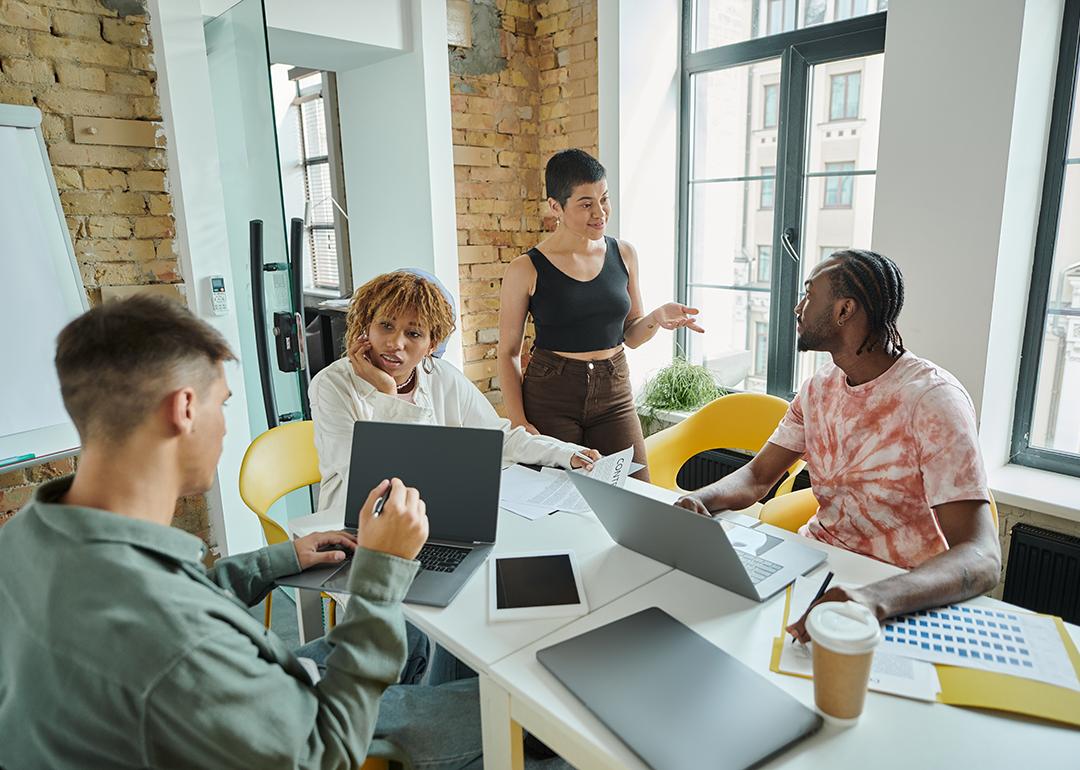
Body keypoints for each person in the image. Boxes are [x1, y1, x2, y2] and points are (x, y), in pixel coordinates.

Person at [0, 296, 485, 769]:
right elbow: (324, 752)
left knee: (413, 642)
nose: (226, 428)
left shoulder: (31, 533)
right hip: (307, 733)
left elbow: (177, 597)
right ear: (184, 409)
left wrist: (281, 558)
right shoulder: (177, 642)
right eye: (223, 405)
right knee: (516, 724)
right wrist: (381, 571)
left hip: (200, 705)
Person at [675, 250, 1002, 641]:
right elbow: (757, 477)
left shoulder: (933, 400)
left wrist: (873, 598)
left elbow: (982, 557)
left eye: (810, 295)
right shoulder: (818, 387)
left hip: (897, 592)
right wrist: (699, 500)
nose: (798, 307)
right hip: (816, 568)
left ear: (844, 310)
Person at [309, 270, 599, 521]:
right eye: (386, 325)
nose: (395, 343)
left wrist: (566, 453)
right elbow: (377, 481)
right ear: (366, 327)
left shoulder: (441, 376)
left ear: (432, 343)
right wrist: (388, 394)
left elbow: (499, 438)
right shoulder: (331, 386)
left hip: (432, 514)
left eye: (413, 333)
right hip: (359, 523)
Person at [498, 148, 704, 481]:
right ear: (556, 207)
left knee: (637, 492)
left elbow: (632, 336)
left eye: (604, 199)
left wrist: (656, 317)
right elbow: (508, 353)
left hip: (614, 392)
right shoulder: (526, 269)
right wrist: (520, 422)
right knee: (559, 499)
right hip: (551, 394)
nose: (600, 213)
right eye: (585, 203)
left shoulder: (624, 254)